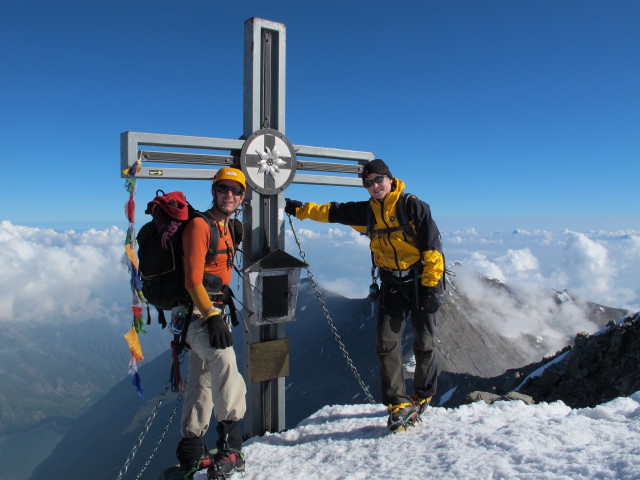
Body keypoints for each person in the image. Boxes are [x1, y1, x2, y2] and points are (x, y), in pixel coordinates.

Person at [285, 159, 445, 433]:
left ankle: (423, 394)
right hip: (391, 282)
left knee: (424, 342)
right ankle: (397, 403)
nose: (374, 186)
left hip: (420, 281)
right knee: (386, 343)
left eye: (378, 180)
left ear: (390, 179)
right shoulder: (366, 212)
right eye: (368, 183)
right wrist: (298, 209)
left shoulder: (412, 206)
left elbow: (432, 247)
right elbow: (331, 211)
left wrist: (431, 287)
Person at [176, 167, 247, 479]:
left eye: (235, 190)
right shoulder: (199, 226)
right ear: (214, 192)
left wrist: (218, 317)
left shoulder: (232, 227)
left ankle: (191, 453)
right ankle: (231, 447)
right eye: (223, 189)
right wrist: (213, 317)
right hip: (200, 314)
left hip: (216, 314)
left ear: (242, 197)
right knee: (224, 360)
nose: (228, 195)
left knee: (201, 379)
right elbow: (192, 281)